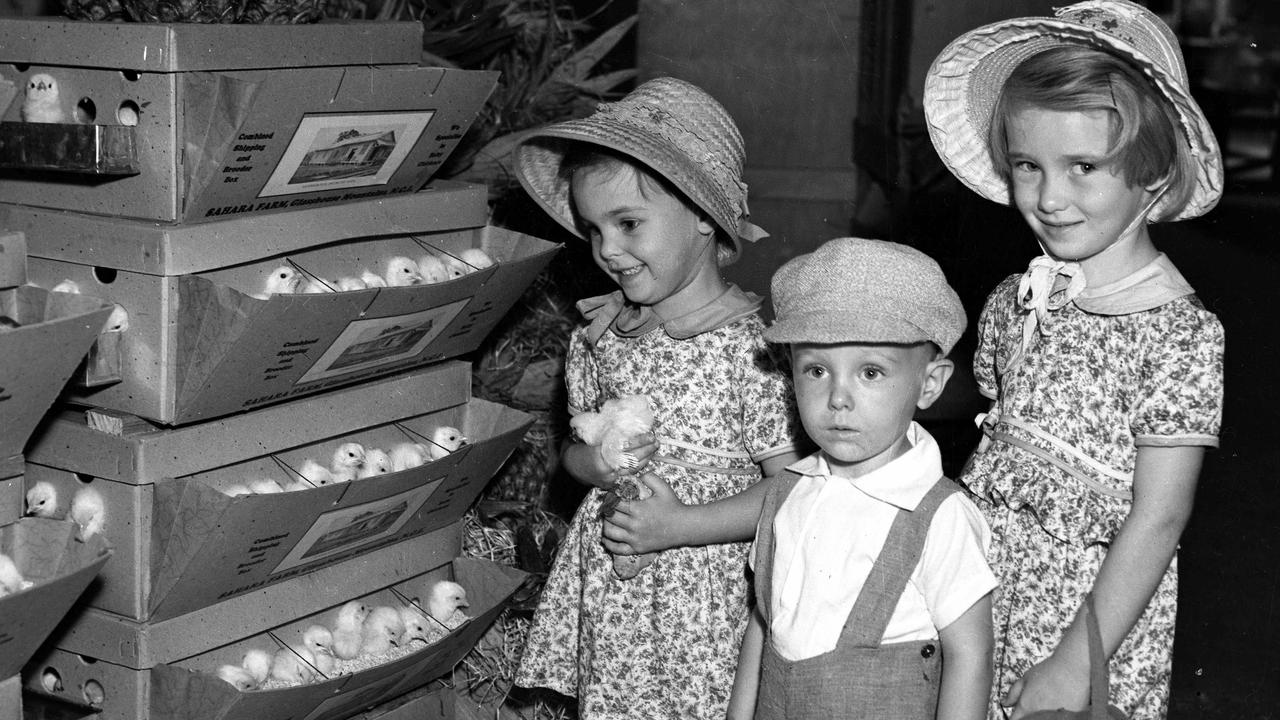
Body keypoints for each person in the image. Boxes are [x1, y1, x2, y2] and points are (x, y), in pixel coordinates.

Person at [923, 2, 1226, 718]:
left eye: (1083, 167)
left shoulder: (1180, 333)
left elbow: (1159, 515)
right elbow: (997, 414)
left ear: (1152, 176)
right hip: (984, 584)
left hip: (1087, 621)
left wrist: (1072, 661)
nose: (1048, 198)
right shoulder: (1017, 296)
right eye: (1028, 166)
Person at [509, 76, 804, 720]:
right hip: (615, 594)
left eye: (629, 223)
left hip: (705, 605)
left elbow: (792, 490)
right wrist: (598, 465)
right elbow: (572, 455)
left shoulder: (753, 350)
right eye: (593, 230)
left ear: (702, 215)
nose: (608, 250)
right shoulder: (599, 338)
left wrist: (681, 526)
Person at [727, 237, 996, 720]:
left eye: (870, 372)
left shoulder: (941, 516)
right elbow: (764, 624)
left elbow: (970, 656)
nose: (837, 398)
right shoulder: (789, 490)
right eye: (816, 370)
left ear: (929, 384)